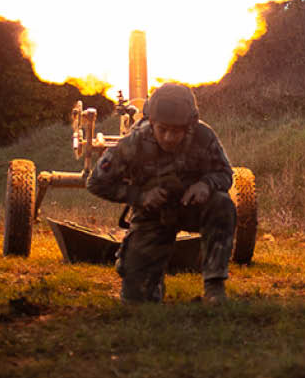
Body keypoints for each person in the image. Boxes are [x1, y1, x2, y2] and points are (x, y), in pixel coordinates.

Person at [85, 82, 236, 303]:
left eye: (176, 131)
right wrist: (140, 196)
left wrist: (205, 184)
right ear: (151, 122)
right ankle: (152, 284)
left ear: (189, 126)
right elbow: (96, 182)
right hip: (152, 214)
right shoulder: (133, 143)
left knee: (222, 204)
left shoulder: (203, 137)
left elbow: (225, 173)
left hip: (192, 208)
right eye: (162, 129)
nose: (168, 137)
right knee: (137, 299)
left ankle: (214, 286)